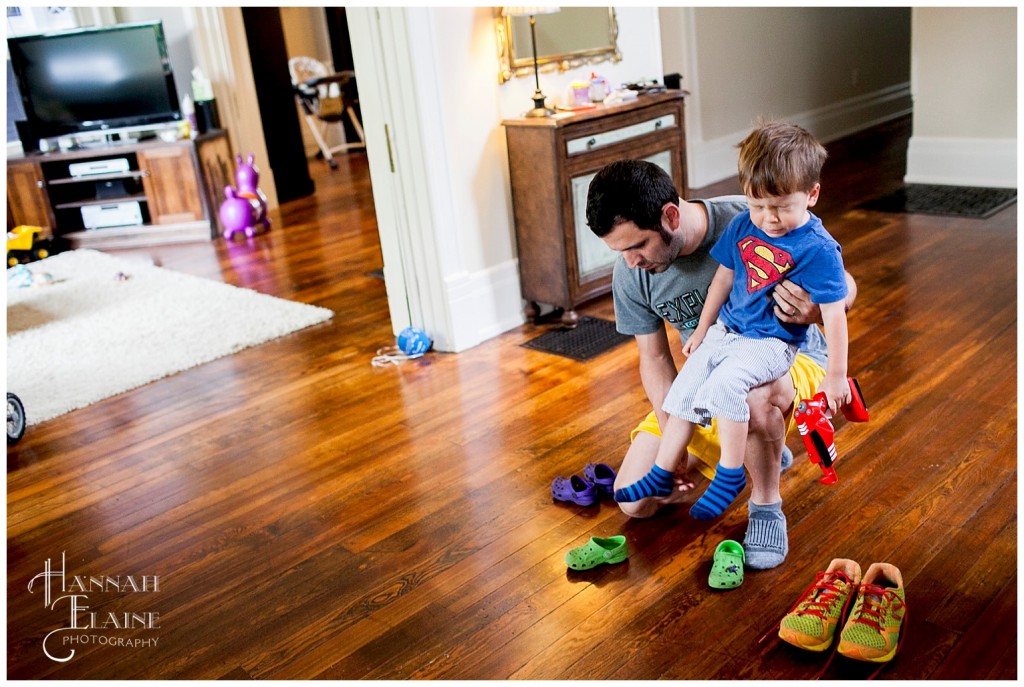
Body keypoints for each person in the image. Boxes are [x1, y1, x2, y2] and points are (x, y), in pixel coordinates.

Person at [585, 153, 856, 570]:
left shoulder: (753, 214)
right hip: (715, 362)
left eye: (638, 245)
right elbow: (655, 357)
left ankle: (766, 508)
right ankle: (761, 450)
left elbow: (844, 285)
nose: (632, 262)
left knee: (750, 394)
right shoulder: (632, 271)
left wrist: (813, 310)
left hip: (790, 356)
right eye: (620, 251)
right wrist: (675, 449)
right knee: (638, 502)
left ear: (671, 216)